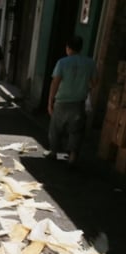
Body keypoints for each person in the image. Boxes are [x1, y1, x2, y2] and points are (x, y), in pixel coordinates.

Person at [46, 35, 98, 166]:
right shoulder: (90, 63)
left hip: (62, 101)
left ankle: (53, 152)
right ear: (80, 48)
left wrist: (50, 101)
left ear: (68, 48)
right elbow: (94, 83)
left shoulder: (62, 62)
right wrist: (84, 85)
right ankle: (72, 157)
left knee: (56, 128)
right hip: (78, 103)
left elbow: (55, 82)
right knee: (76, 130)